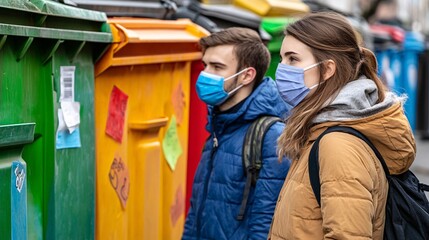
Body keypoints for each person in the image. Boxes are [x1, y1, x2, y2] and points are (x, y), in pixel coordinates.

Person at [269, 12, 416, 239]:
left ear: (328, 69)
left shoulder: (338, 145)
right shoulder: (321, 128)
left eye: (293, 59)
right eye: (282, 58)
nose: (282, 69)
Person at [182, 27, 291, 240]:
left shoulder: (270, 136)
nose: (205, 74)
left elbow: (265, 224)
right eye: (205, 65)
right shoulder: (219, 126)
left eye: (217, 67)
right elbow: (196, 212)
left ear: (247, 75)